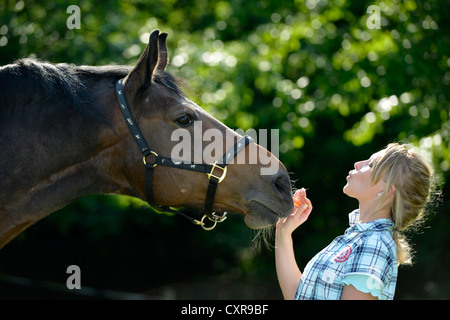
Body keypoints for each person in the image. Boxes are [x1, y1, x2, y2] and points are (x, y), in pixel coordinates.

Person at [275, 143, 435, 300]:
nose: (358, 164)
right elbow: (297, 296)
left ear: (386, 191)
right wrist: (283, 233)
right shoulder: (358, 239)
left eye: (371, 165)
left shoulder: (374, 245)